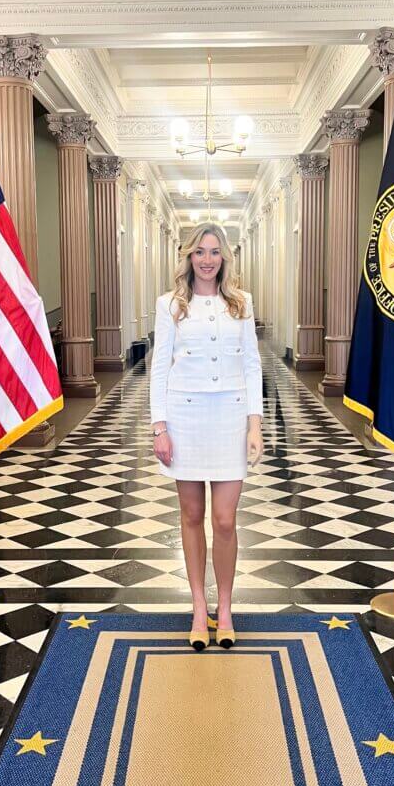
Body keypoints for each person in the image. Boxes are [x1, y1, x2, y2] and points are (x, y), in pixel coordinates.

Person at [149, 222, 263, 651]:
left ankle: (226, 608)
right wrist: (159, 426)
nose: (208, 259)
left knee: (226, 520)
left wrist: (255, 424)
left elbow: (252, 365)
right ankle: (200, 608)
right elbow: (160, 366)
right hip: (185, 418)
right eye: (200, 251)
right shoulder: (170, 304)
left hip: (231, 418)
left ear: (225, 258)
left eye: (215, 251)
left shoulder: (241, 303)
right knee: (192, 516)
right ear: (189, 256)